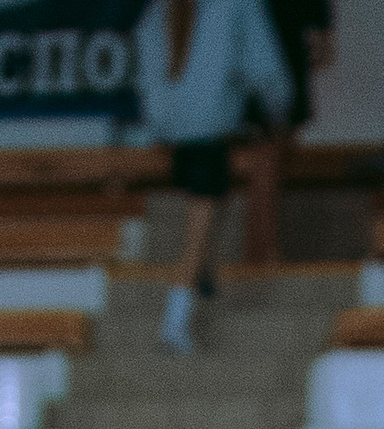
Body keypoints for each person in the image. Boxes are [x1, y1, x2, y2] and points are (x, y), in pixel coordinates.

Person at [132, 0, 295, 352]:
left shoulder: (158, 10)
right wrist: (280, 107)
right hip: (208, 128)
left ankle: (204, 274)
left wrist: (160, 122)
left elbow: (146, 71)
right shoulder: (233, 5)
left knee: (211, 199)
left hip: (175, 129)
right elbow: (262, 66)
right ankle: (177, 314)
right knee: (203, 210)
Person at [241, 0, 329, 268]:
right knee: (269, 148)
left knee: (273, 149)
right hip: (269, 34)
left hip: (280, 34)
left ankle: (261, 248)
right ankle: (262, 250)